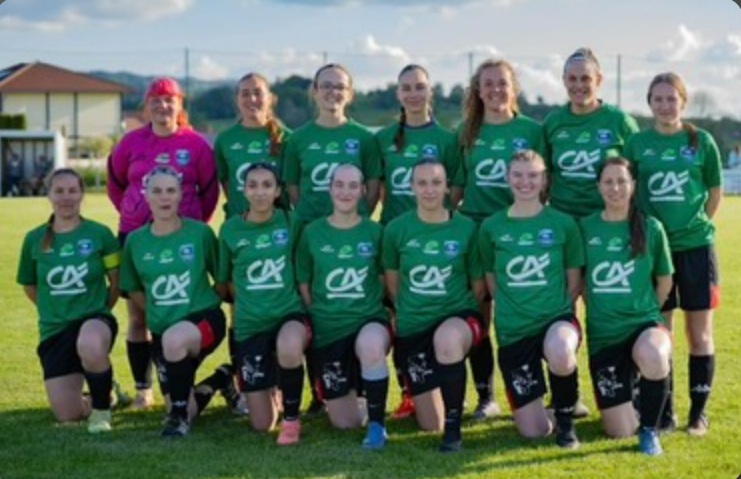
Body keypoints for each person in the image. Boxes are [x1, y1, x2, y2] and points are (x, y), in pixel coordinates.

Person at [108, 77, 219, 410]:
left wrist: (189, 225)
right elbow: (116, 185)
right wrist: (135, 214)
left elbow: (209, 192)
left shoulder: (196, 145)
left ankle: (178, 371)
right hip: (137, 237)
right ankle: (144, 388)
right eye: (155, 100)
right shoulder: (131, 142)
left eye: (169, 99)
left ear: (180, 105)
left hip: (182, 238)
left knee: (179, 305)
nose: (162, 105)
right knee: (139, 315)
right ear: (146, 106)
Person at [624, 72, 723, 436]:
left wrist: (692, 227)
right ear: (650, 103)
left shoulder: (702, 141)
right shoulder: (637, 144)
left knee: (700, 335)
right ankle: (664, 412)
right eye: (658, 99)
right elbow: (629, 192)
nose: (665, 106)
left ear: (683, 101)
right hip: (653, 253)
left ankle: (698, 414)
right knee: (659, 333)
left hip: (696, 250)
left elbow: (714, 193)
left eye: (672, 99)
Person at [457, 58, 548, 420]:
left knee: (531, 312)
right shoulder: (466, 132)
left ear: (515, 88)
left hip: (521, 236)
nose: (496, 90)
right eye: (488, 84)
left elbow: (546, 184)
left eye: (503, 83)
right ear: (478, 91)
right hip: (477, 234)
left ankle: (550, 393)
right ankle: (486, 396)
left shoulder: (533, 131)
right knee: (479, 314)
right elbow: (457, 187)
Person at [374, 64, 464, 420]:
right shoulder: (383, 139)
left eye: (420, 87)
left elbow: (455, 188)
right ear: (398, 94)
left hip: (435, 239)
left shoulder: (447, 139)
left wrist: (433, 222)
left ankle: (452, 389)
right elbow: (378, 188)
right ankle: (409, 391)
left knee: (440, 313)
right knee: (400, 316)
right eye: (406, 88)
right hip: (396, 240)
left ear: (430, 92)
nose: (413, 94)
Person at [478, 150, 584, 449]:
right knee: (533, 431)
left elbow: (573, 281)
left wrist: (556, 311)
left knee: (561, 350)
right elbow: (492, 282)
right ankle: (545, 412)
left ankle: (566, 422)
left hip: (555, 320)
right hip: (514, 330)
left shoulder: (563, 224)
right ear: (507, 178)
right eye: (518, 175)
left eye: (533, 175)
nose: (525, 182)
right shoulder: (491, 227)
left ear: (544, 179)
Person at [383, 159, 486, 452]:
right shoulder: (396, 229)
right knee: (430, 423)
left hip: (457, 318)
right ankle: (443, 410)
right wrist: (414, 310)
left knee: (447, 339)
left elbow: (478, 287)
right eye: (422, 183)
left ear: (447, 187)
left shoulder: (466, 227)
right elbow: (393, 285)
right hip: (415, 326)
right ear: (411, 187)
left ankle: (454, 429)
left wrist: (455, 312)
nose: (429, 190)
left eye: (436, 183)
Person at [119, 166, 226, 437]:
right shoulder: (135, 241)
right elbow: (133, 289)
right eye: (156, 191)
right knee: (185, 400)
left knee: (175, 340)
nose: (164, 197)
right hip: (163, 330)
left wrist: (209, 302)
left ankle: (178, 420)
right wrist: (157, 312)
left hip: (204, 321)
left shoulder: (200, 233)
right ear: (146, 196)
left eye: (170, 190)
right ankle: (221, 379)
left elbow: (221, 278)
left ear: (180, 195)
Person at [581, 157, 673, 455]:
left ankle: (650, 431)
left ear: (633, 185)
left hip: (642, 325)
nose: (615, 188)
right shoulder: (585, 227)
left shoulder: (651, 227)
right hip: (605, 335)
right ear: (598, 186)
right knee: (619, 431)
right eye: (608, 182)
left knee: (654, 354)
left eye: (622, 181)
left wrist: (649, 312)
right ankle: (633, 393)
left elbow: (665, 280)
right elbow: (579, 280)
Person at [16, 168, 120, 433]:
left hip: (94, 319)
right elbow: (29, 285)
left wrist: (101, 311)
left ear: (82, 194)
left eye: (72, 190)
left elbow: (116, 282)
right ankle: (107, 391)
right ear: (49, 195)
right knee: (67, 415)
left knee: (90, 342)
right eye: (59, 191)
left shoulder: (100, 234)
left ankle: (101, 411)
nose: (66, 197)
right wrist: (53, 309)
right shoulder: (34, 239)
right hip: (55, 329)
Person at [296, 164, 390, 449]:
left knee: (371, 345)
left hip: (368, 320)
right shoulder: (312, 232)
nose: (345, 192)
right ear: (330, 189)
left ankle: (377, 426)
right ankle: (360, 393)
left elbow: (385, 279)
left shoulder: (376, 232)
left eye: (352, 186)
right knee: (345, 423)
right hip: (329, 330)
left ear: (363, 191)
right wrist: (320, 314)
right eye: (339, 185)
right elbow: (305, 283)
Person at [214, 72, 291, 415]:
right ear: (237, 99)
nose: (252, 99)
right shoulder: (225, 140)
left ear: (270, 98)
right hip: (242, 235)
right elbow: (228, 187)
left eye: (258, 93)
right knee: (241, 310)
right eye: (244, 93)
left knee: (283, 307)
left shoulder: (285, 138)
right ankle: (246, 384)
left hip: (277, 235)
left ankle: (287, 386)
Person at [217, 163, 310, 445]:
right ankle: (244, 382)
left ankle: (291, 419)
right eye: (253, 185)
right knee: (261, 424)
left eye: (267, 185)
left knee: (289, 345)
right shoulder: (230, 229)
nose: (260, 192)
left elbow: (302, 268)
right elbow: (225, 281)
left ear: (278, 191)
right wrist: (250, 303)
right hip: (250, 324)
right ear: (243, 191)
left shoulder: (290, 222)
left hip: (288, 314)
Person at [544, 48, 639, 218]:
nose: (579, 85)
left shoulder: (620, 122)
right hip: (562, 219)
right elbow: (543, 176)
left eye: (585, 78)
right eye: (572, 79)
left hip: (605, 220)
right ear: (564, 80)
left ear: (599, 80)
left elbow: (637, 176)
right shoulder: (553, 122)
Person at [284, 63, 382, 225]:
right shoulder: (298, 138)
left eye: (340, 87)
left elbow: (373, 187)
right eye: (326, 86)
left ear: (350, 94)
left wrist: (358, 218)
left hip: (352, 228)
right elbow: (292, 186)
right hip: (310, 227)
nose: (333, 92)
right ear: (315, 92)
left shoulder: (365, 138)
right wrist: (307, 217)